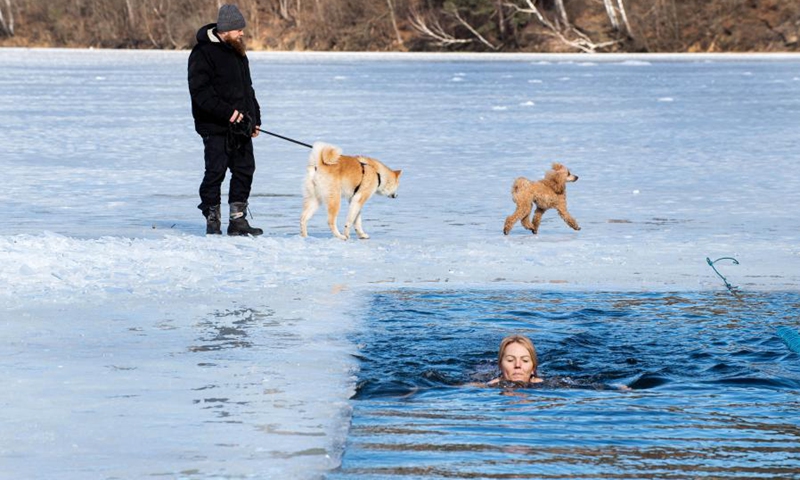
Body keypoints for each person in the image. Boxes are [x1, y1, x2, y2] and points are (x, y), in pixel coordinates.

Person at [188, 4, 263, 236]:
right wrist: (228, 113)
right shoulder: (202, 53)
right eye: (238, 29)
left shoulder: (238, 52)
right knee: (215, 171)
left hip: (241, 125)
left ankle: (237, 220)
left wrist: (255, 117)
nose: (242, 33)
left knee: (245, 169)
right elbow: (200, 93)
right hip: (215, 126)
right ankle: (212, 217)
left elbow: (247, 89)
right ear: (226, 29)